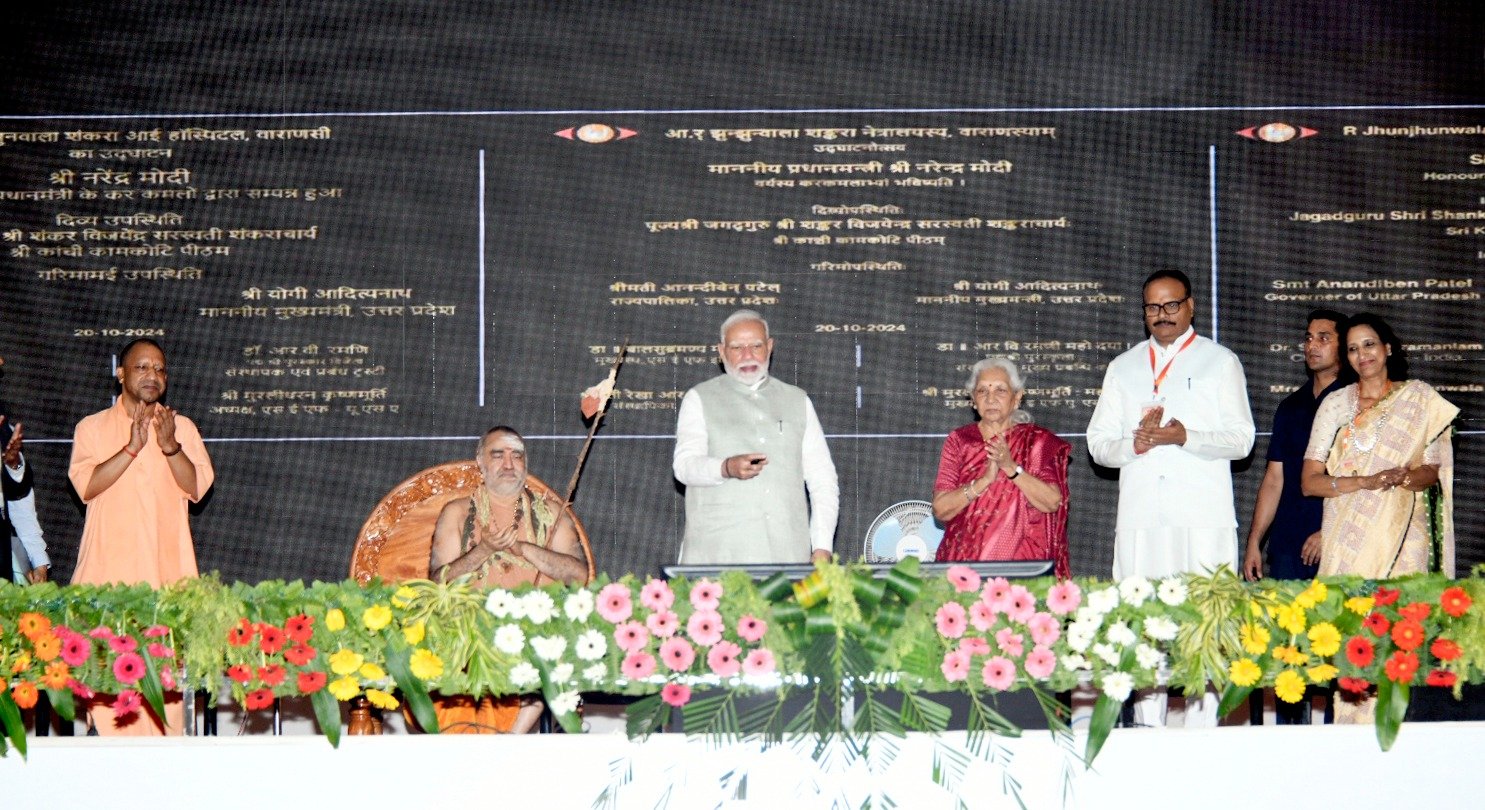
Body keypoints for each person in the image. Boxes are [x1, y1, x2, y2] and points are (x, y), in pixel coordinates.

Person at [1086, 269, 1255, 727]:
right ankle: (1147, 727)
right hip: (1141, 520)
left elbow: (1242, 439)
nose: (1161, 316)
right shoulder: (1123, 367)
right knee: (1143, 626)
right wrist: (1133, 446)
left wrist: (1186, 436)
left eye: (1170, 306)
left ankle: (1204, 735)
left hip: (1203, 518)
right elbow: (1098, 443)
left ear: (1191, 306)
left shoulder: (1220, 362)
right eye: (1152, 308)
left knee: (1204, 627)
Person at [68, 339, 214, 735]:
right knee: (108, 702)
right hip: (107, 584)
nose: (153, 376)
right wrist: (132, 447)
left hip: (168, 584)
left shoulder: (180, 428)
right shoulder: (92, 427)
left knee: (167, 711)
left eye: (160, 369)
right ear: (120, 374)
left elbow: (197, 486)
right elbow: (87, 486)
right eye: (142, 367)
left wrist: (169, 448)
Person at [429, 425, 588, 733]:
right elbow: (439, 583)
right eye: (498, 455)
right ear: (480, 462)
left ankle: (510, 740)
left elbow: (578, 575)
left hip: (536, 632)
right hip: (472, 630)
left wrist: (523, 548)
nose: (508, 464)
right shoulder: (458, 513)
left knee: (549, 651)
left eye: (517, 455)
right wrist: (484, 550)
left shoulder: (550, 514)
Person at [673, 309, 839, 564]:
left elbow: (822, 480)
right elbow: (684, 468)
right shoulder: (698, 398)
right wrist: (725, 468)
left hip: (787, 558)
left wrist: (822, 547)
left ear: (770, 347)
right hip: (715, 560)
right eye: (737, 347)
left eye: (756, 346)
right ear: (721, 351)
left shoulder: (798, 400)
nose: (747, 355)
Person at [1301, 313, 1458, 578]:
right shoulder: (1335, 404)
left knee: (1405, 616)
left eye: (1369, 344)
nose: (1362, 354)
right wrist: (1366, 481)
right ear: (1346, 357)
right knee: (1351, 614)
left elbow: (1430, 472)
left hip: (1404, 535)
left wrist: (1403, 477)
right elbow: (1309, 483)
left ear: (1388, 348)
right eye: (1352, 349)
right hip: (1347, 535)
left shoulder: (1419, 398)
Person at [931, 357, 1071, 577]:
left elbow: (1052, 501)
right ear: (973, 401)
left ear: (1016, 398)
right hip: (965, 569)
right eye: (982, 391)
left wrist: (1011, 467)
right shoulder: (960, 441)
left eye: (1000, 390)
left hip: (1023, 570)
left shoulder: (1037, 442)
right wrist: (983, 482)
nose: (991, 398)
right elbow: (941, 509)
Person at [1242, 310, 1351, 583]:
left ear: (1344, 345)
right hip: (1288, 545)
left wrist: (1331, 531)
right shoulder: (1290, 407)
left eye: (1323, 338)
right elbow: (1273, 479)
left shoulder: (1357, 403)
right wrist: (1254, 542)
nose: (1312, 346)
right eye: (1308, 338)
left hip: (1341, 543)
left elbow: (1363, 479)